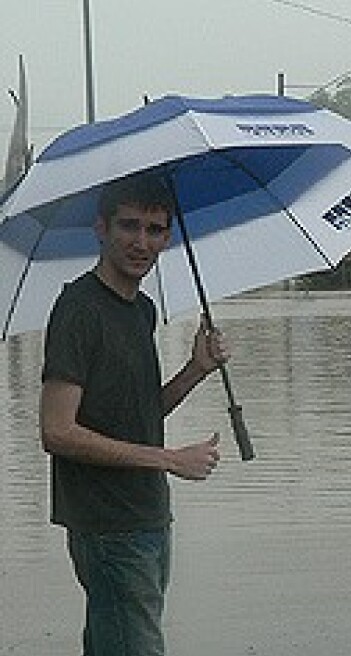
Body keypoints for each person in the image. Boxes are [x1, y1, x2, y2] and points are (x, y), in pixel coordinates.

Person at [39, 172, 227, 656]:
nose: (141, 242)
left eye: (155, 229)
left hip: (147, 516)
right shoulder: (79, 309)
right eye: (129, 226)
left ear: (168, 236)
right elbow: (57, 431)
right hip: (107, 526)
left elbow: (139, 413)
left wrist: (195, 370)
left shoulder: (140, 309)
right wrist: (168, 459)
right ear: (101, 228)